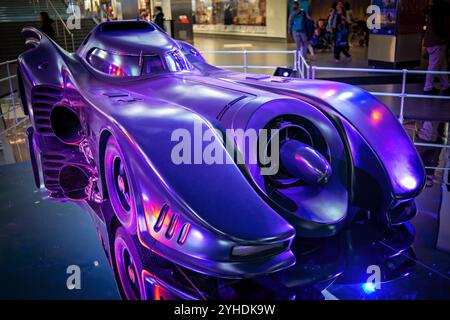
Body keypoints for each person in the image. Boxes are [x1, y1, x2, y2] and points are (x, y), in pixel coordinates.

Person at [423, 1, 450, 96]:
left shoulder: (433, 11)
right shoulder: (444, 11)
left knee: (441, 65)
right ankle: (428, 87)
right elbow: (445, 28)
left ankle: (446, 85)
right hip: (438, 42)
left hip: (432, 42)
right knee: (434, 65)